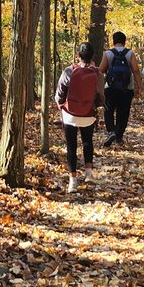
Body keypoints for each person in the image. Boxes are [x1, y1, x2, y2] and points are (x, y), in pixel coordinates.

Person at [55, 43, 105, 193]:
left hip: (70, 114)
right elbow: (101, 97)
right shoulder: (97, 74)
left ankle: (73, 182)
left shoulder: (69, 71)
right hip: (88, 115)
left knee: (71, 146)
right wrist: (93, 106)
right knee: (87, 141)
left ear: (78, 55)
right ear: (93, 56)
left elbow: (60, 93)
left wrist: (61, 104)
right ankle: (88, 174)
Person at [99, 30, 142, 147]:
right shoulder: (130, 53)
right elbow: (136, 70)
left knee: (108, 111)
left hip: (110, 88)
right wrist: (139, 86)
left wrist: (98, 87)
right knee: (123, 112)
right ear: (124, 41)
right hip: (127, 88)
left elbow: (100, 71)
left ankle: (111, 132)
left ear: (113, 41)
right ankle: (119, 136)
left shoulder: (108, 53)